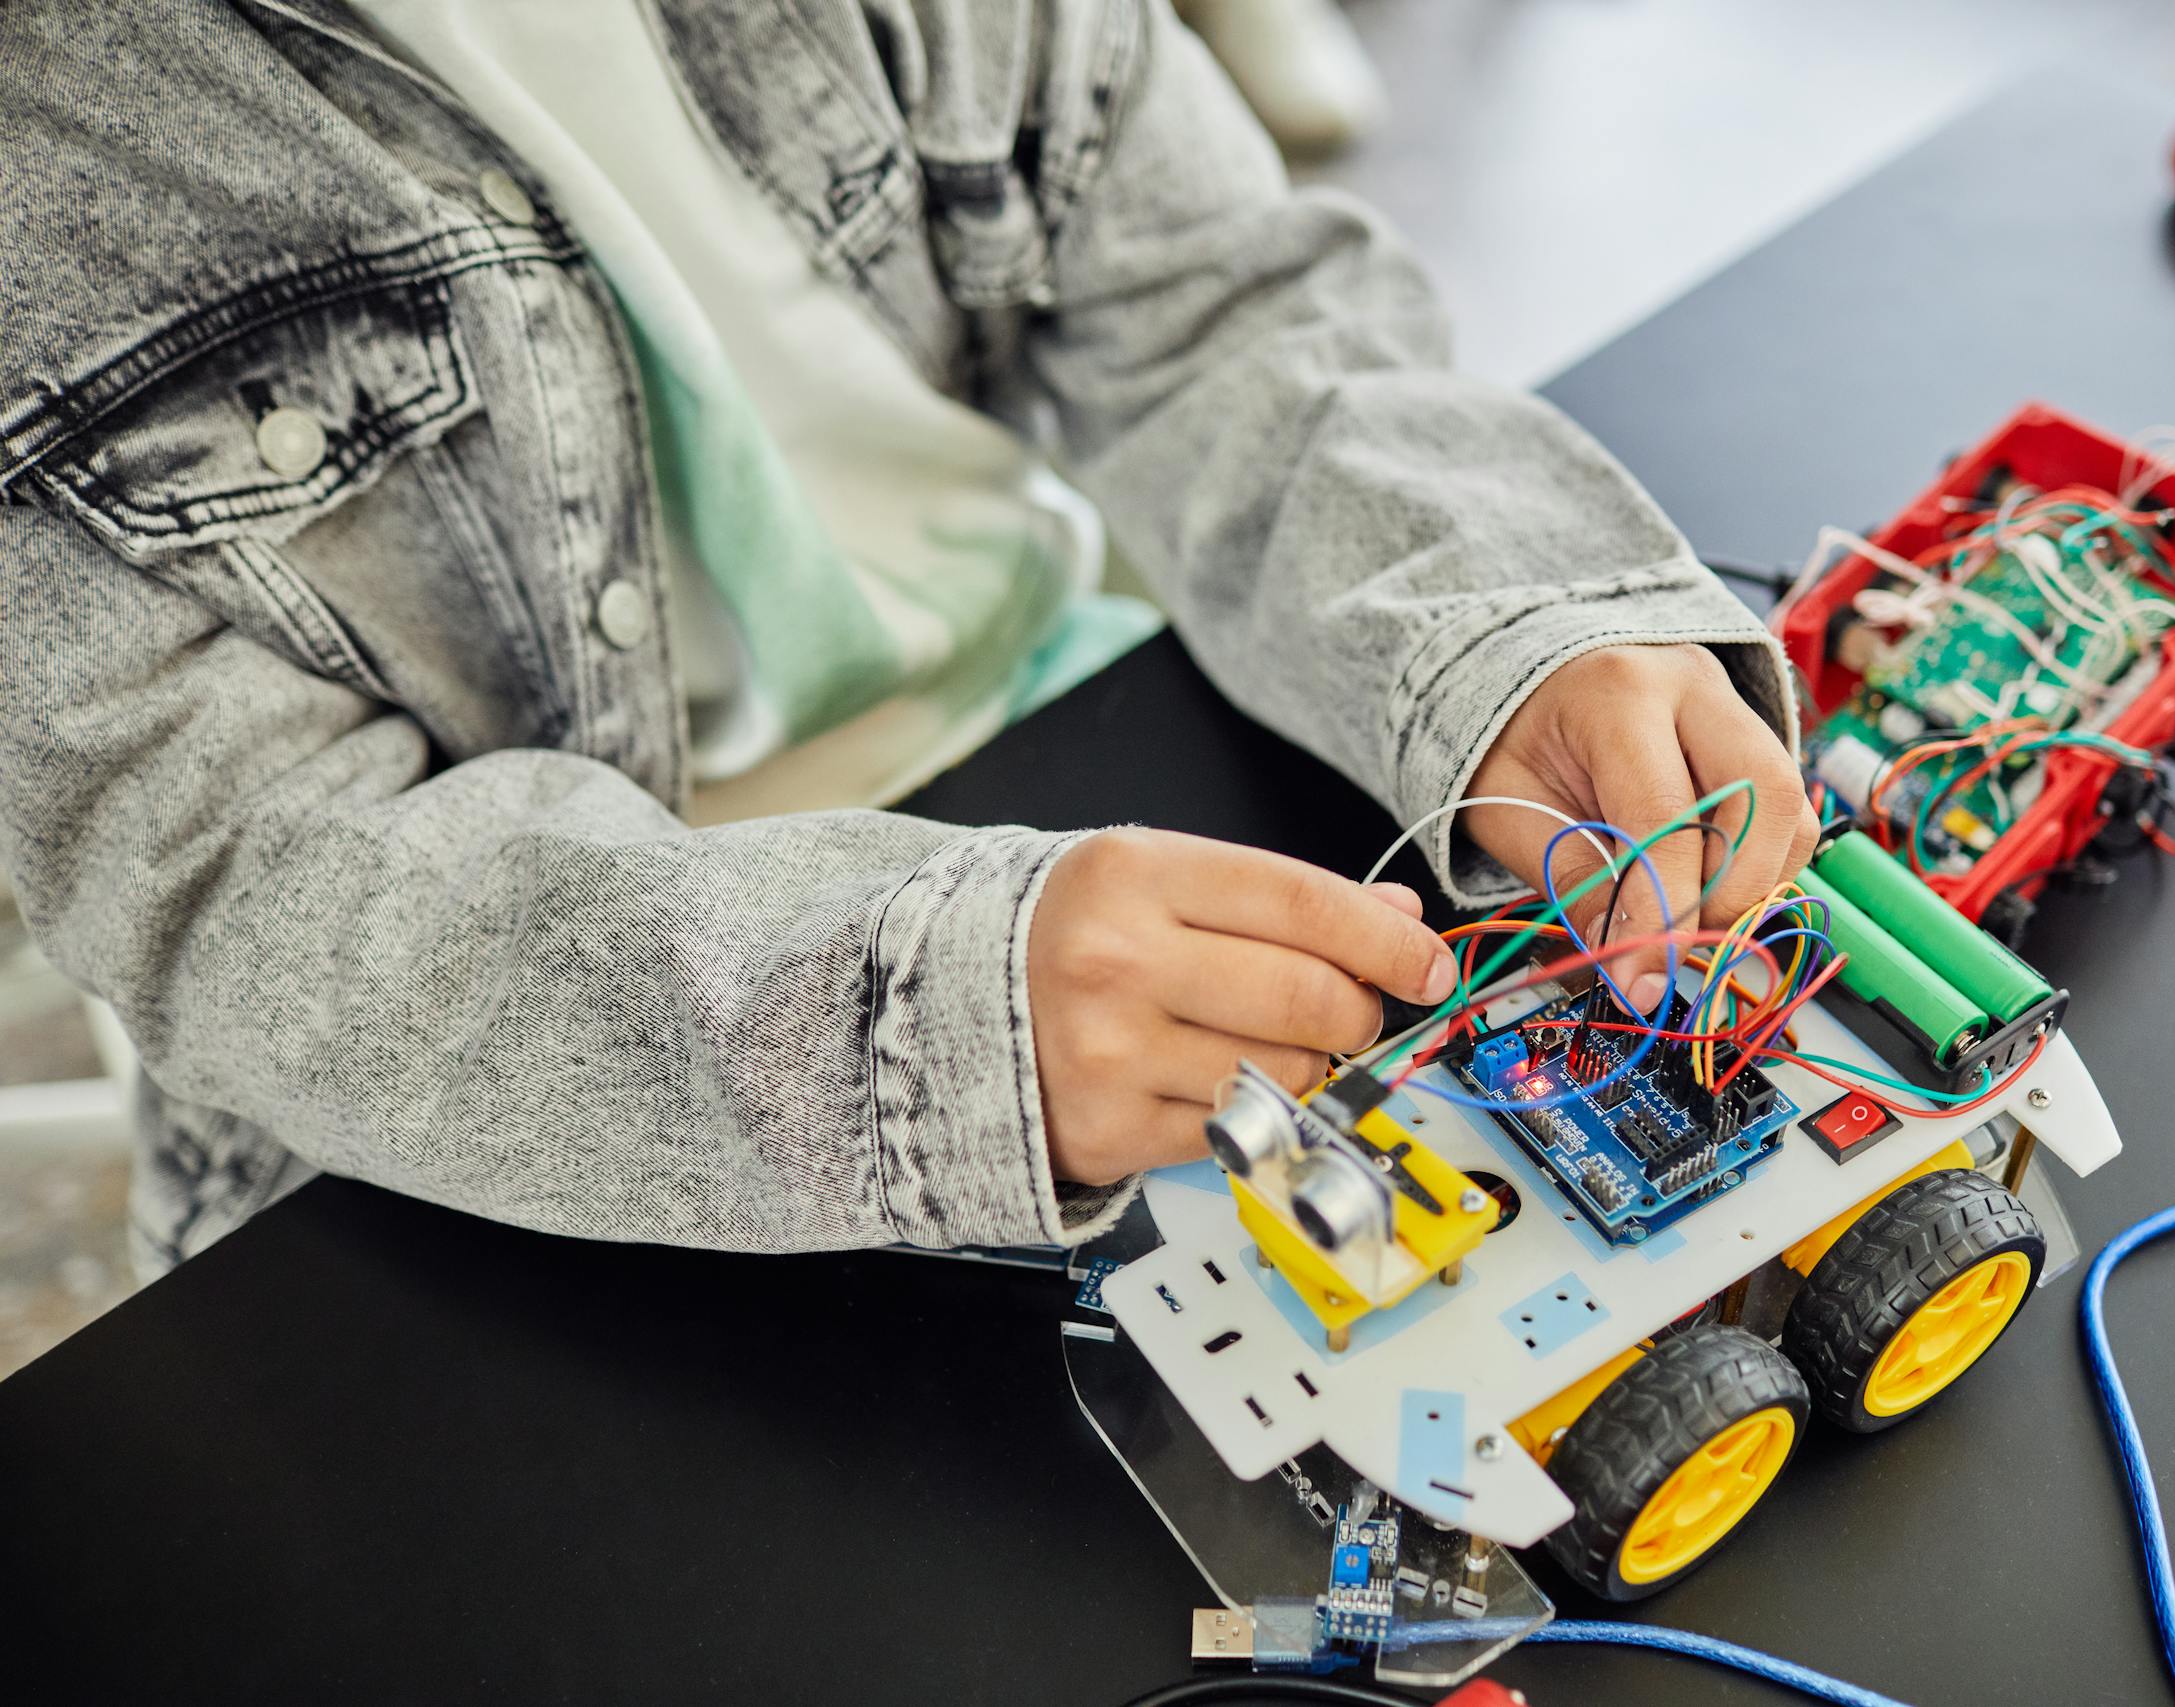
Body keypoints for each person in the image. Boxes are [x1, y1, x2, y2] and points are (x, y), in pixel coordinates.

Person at [0, 0, 1817, 1278]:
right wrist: (900, 1028)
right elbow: (231, 880)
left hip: (1078, 779)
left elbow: (1210, 311)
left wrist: (1499, 619)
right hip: (480, 1098)